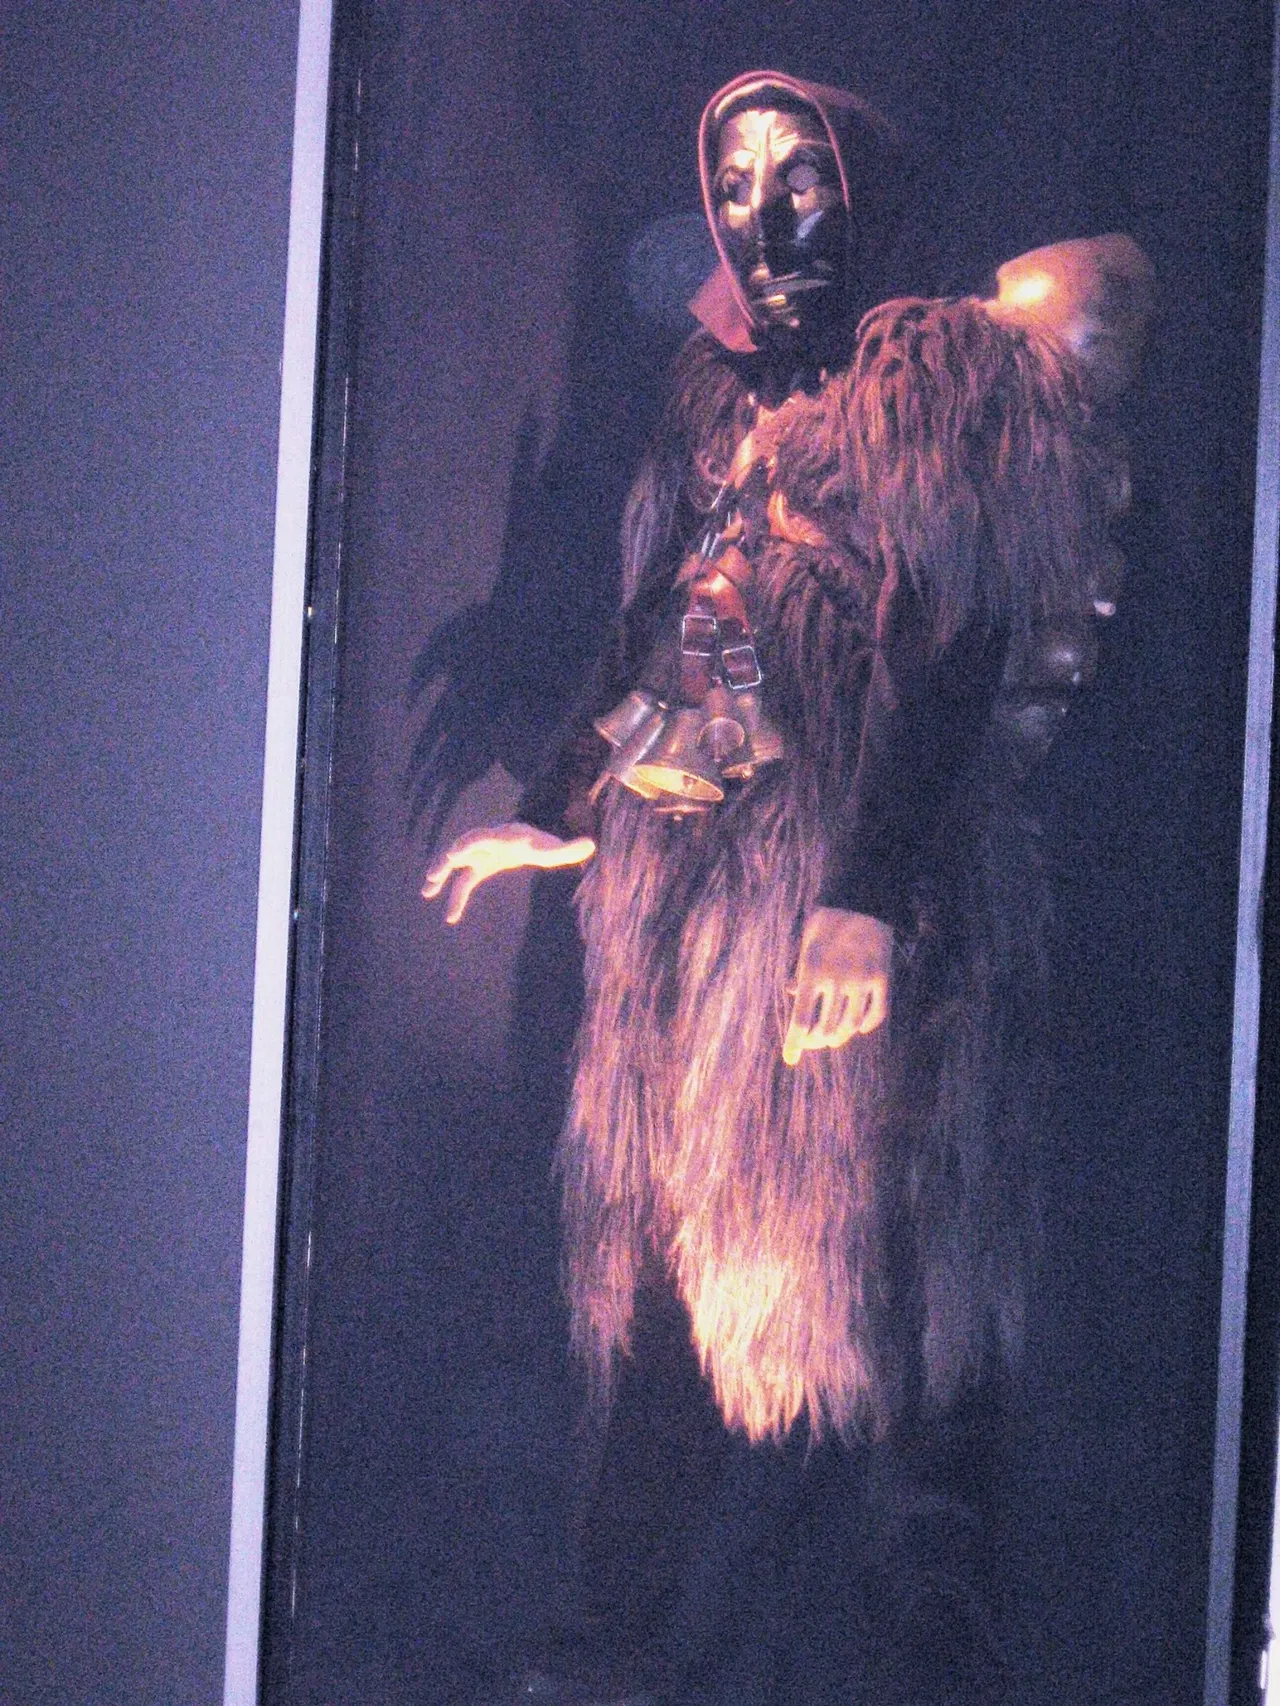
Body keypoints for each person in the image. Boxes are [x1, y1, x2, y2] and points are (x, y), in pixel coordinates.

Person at [424, 70, 1151, 1703]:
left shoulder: (941, 385)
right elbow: (674, 628)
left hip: (879, 904)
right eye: (738, 183)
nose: (764, 218)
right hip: (709, 912)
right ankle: (616, 1637)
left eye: (800, 177)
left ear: (862, 187)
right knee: (682, 1267)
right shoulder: (716, 398)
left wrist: (865, 895)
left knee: (896, 1278)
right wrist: (562, 806)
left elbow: (954, 634)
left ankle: (926, 1633)